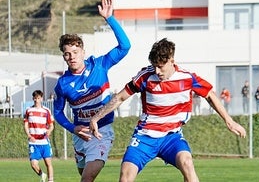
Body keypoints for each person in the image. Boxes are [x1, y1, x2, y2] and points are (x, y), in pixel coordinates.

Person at [89, 38, 246, 182]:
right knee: (126, 176)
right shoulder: (145, 76)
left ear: (172, 61)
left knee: (187, 164)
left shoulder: (187, 78)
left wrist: (229, 121)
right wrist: (96, 118)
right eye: (155, 66)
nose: (157, 71)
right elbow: (120, 97)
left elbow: (210, 95)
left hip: (172, 137)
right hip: (145, 137)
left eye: (160, 66)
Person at [53, 0, 131, 182]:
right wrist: (73, 128)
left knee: (87, 178)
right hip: (81, 135)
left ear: (83, 52)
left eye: (75, 52)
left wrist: (109, 18)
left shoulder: (100, 65)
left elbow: (125, 46)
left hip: (102, 131)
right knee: (84, 175)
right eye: (67, 54)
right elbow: (57, 112)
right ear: (64, 56)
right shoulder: (62, 84)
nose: (71, 57)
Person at [23, 90, 54, 182]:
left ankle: (50, 180)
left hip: (44, 141)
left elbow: (51, 125)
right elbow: (25, 125)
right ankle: (42, 174)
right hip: (33, 142)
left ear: (41, 99)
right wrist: (29, 135)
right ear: (33, 98)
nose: (37, 100)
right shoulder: (29, 110)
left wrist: (49, 131)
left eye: (38, 98)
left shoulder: (46, 111)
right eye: (35, 98)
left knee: (48, 163)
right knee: (33, 164)